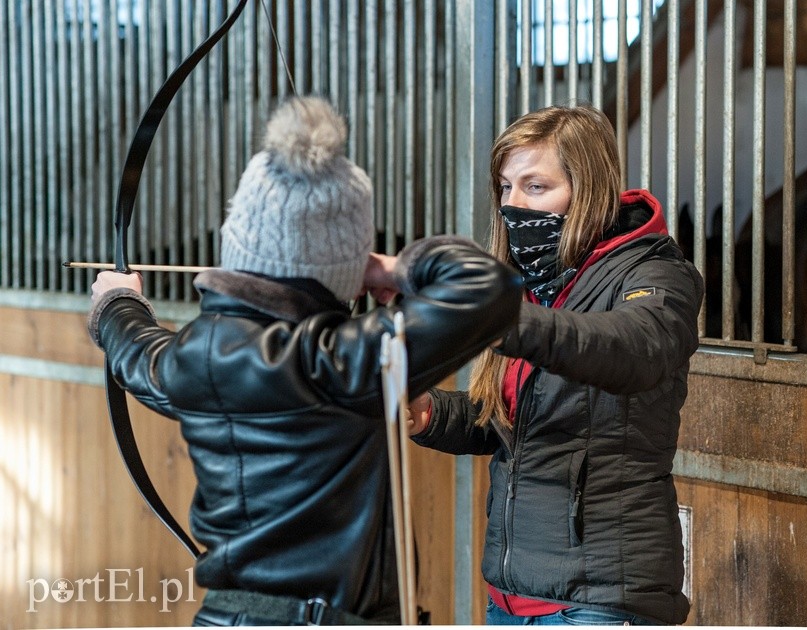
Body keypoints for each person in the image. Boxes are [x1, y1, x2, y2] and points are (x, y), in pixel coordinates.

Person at [88, 95, 523, 626]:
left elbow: (139, 356)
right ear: (348, 265)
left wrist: (117, 303)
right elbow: (489, 288)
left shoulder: (198, 356)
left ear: (238, 242)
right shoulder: (346, 360)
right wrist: (396, 269)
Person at [408, 104, 704, 625]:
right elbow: (510, 421)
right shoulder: (536, 284)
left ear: (586, 189)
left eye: (535, 187)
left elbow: (635, 348)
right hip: (510, 598)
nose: (513, 205)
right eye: (505, 188)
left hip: (598, 601)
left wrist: (499, 321)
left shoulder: (656, 274)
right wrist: (430, 412)